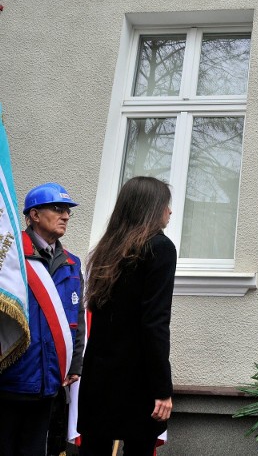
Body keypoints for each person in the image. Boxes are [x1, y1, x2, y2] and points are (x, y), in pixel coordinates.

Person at [78, 176, 176, 456]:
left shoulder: (107, 249)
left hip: (99, 379)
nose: (170, 211)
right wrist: (162, 388)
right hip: (137, 382)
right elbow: (154, 322)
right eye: (166, 205)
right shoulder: (160, 248)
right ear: (150, 208)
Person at [0, 182, 85, 455]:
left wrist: (75, 363)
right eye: (58, 209)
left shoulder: (72, 264)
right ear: (34, 215)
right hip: (10, 382)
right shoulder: (9, 261)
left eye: (68, 211)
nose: (66, 216)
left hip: (49, 384)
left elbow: (77, 318)